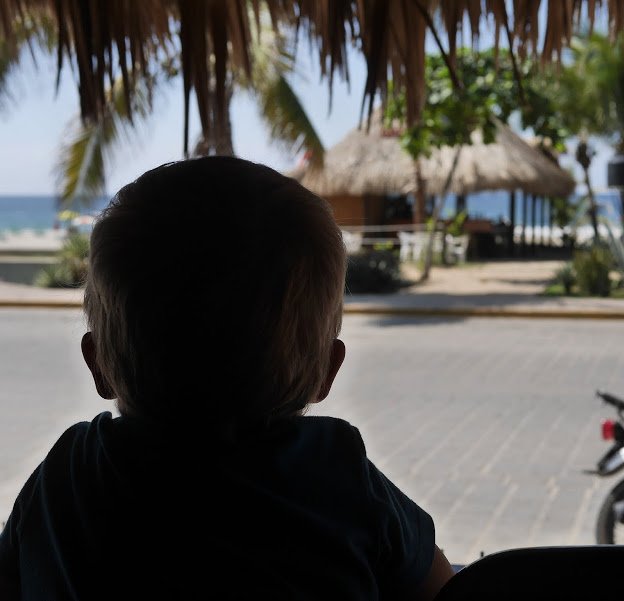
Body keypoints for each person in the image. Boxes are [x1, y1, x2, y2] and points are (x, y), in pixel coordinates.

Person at [0, 156, 454, 600]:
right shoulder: (340, 477)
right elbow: (445, 586)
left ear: (96, 362)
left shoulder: (67, 475)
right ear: (327, 372)